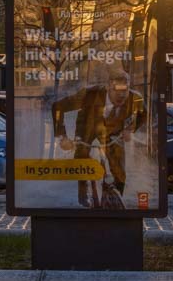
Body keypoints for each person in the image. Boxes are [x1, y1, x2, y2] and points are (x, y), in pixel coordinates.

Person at [51, 64, 148, 208]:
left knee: (119, 170)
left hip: (113, 132)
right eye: (117, 90)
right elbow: (58, 107)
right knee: (82, 160)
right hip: (87, 128)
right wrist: (62, 137)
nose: (121, 96)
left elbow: (143, 114)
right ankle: (83, 198)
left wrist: (130, 129)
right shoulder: (89, 95)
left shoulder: (135, 99)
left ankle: (115, 199)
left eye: (125, 91)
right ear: (108, 86)